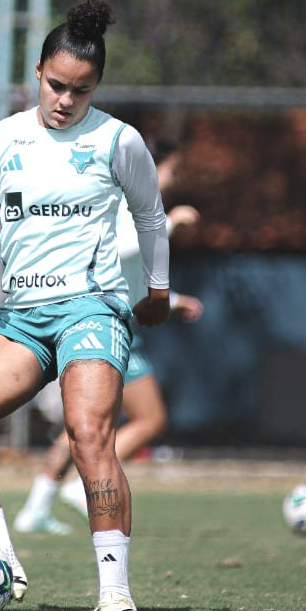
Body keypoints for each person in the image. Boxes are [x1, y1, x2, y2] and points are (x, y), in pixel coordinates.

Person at [0, 0, 170, 611]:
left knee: (89, 438)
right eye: (57, 85)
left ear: (96, 87)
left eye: (80, 91)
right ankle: (2, 561)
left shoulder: (119, 140)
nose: (65, 99)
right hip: (21, 316)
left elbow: (151, 216)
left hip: (92, 307)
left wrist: (158, 290)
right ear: (37, 72)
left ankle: (114, 590)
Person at [15, 141, 203, 533]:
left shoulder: (120, 199)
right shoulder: (122, 200)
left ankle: (37, 506)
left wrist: (176, 298)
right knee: (149, 419)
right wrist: (170, 223)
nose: (171, 180)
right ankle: (79, 491)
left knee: (86, 424)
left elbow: (125, 275)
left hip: (97, 317)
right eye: (170, 171)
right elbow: (118, 251)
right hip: (106, 323)